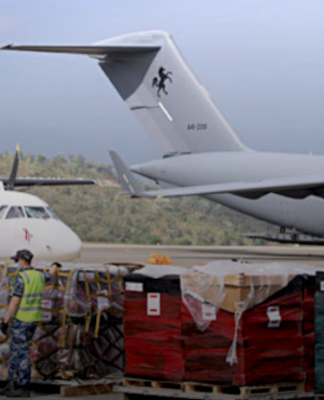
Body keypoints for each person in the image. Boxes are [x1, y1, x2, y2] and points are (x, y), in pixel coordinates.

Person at [0, 250, 61, 398]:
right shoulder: (39, 275)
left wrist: (5, 321)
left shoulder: (21, 278)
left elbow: (15, 302)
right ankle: (11, 384)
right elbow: (50, 274)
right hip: (33, 319)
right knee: (15, 351)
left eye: (17, 261)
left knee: (21, 353)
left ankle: (22, 386)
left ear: (23, 261)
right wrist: (54, 266)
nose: (16, 263)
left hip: (22, 319)